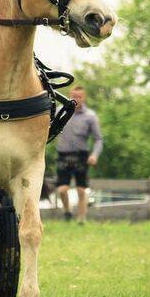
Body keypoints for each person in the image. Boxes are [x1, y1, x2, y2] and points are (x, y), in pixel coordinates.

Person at [55, 86, 103, 224]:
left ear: (84, 97)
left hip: (81, 155)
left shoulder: (90, 116)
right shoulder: (60, 111)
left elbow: (98, 139)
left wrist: (95, 155)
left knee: (81, 190)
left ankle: (81, 220)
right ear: (69, 95)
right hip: (63, 154)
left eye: (79, 96)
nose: (75, 99)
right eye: (73, 96)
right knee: (62, 190)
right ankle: (67, 212)